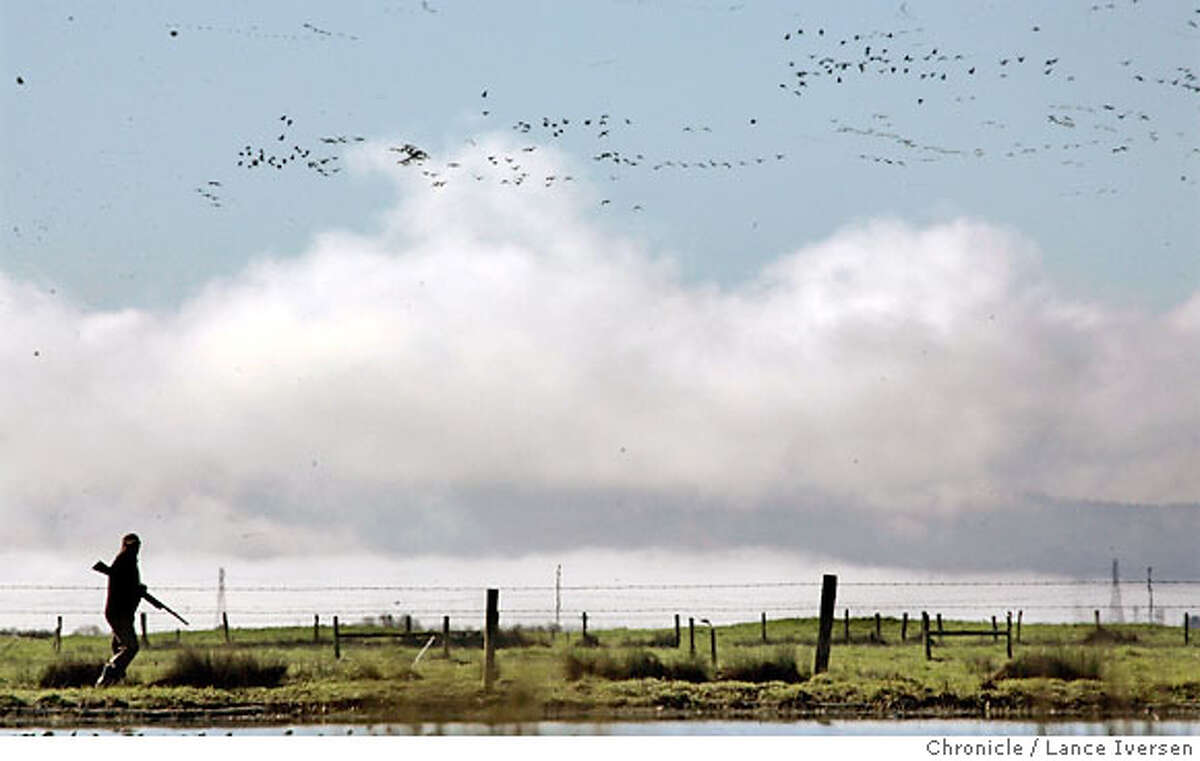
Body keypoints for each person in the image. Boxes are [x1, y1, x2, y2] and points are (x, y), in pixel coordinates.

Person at [96, 533, 145, 687]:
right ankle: (108, 675)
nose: (134, 549)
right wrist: (137, 591)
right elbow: (124, 590)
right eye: (131, 546)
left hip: (122, 612)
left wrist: (138, 591)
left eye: (136, 545)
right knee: (131, 647)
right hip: (119, 613)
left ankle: (114, 681)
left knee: (120, 647)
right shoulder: (124, 562)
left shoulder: (126, 562)